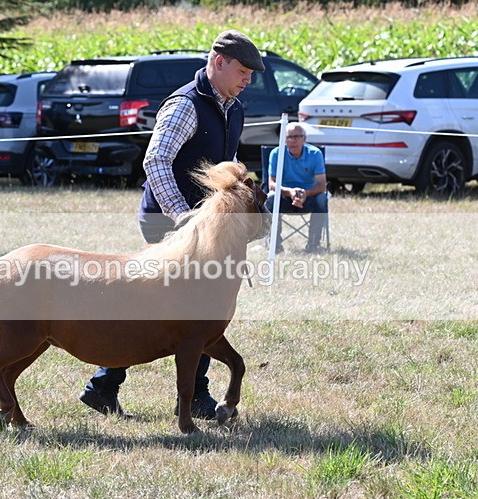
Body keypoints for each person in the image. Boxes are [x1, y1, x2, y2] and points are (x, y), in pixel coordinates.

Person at [78, 29, 265, 419]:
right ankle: (191, 395)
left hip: (207, 227)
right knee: (184, 310)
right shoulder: (185, 105)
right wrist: (183, 216)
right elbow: (156, 161)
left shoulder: (234, 106)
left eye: (250, 74)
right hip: (169, 218)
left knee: (199, 306)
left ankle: (105, 385)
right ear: (218, 62)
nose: (247, 79)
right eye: (243, 70)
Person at [264, 122, 327, 253]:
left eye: (297, 136)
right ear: (284, 139)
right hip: (285, 198)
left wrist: (304, 194)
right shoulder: (276, 154)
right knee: (270, 197)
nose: (293, 140)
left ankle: (313, 245)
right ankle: (274, 245)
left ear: (304, 138)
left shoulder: (315, 154)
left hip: (309, 198)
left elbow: (321, 185)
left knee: (322, 198)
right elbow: (271, 184)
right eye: (289, 137)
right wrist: (290, 192)